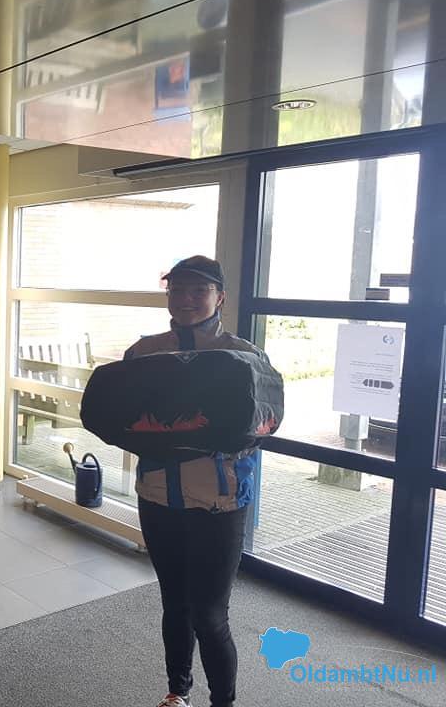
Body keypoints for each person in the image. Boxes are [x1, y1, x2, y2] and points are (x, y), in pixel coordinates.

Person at [122, 255, 268, 707]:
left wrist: (207, 437)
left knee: (209, 615)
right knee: (175, 604)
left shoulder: (245, 355)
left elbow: (265, 423)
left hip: (218, 501)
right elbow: (121, 417)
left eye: (199, 290)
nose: (186, 298)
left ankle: (223, 701)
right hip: (158, 496)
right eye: (178, 289)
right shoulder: (143, 353)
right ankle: (177, 692)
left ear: (219, 297)